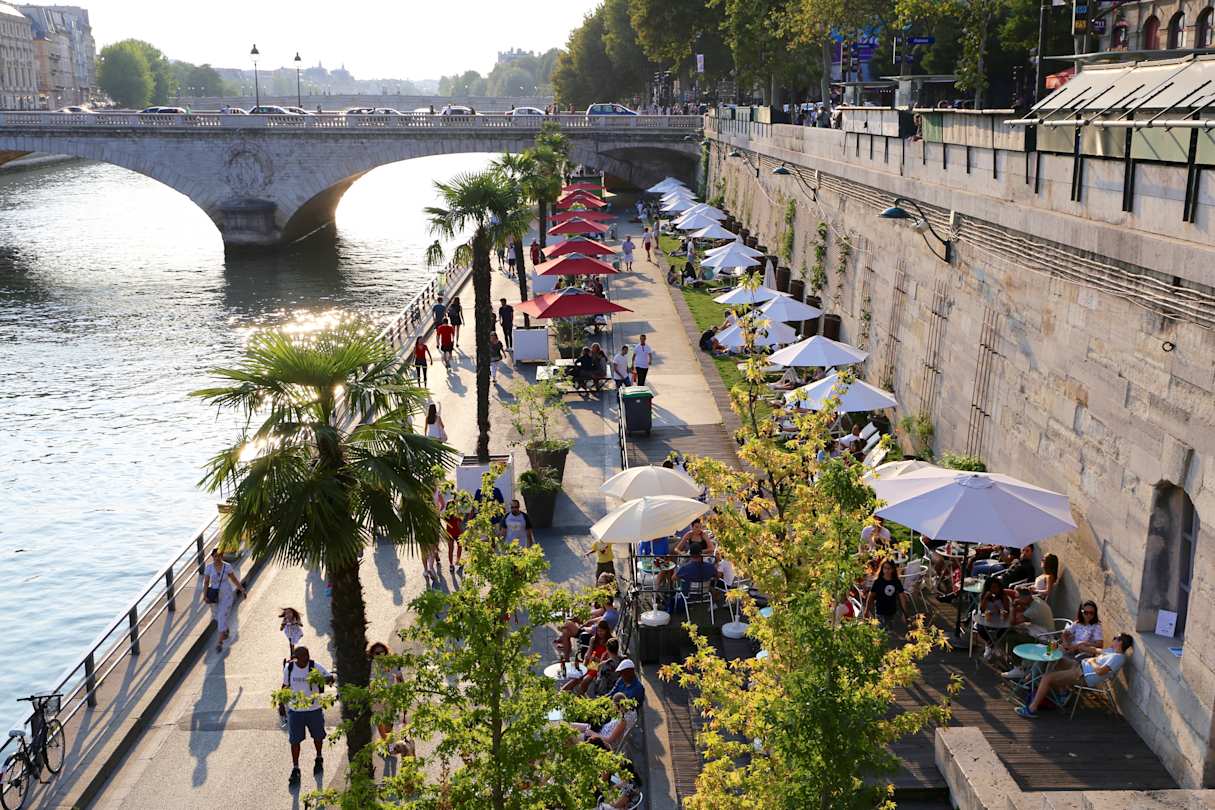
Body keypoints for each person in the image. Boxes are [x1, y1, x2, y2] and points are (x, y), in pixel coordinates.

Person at [1016, 634, 1133, 718]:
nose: (1113, 639)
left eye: (1116, 638)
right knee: (1056, 659)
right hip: (1079, 666)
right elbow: (1096, 649)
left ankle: (1032, 709)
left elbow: (1100, 672)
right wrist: (1082, 646)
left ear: (1120, 642)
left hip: (1083, 675)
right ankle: (1063, 694)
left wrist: (1092, 661)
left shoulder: (1118, 658)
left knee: (1047, 678)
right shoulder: (1111, 651)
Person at [281, 646, 335, 785]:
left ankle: (318, 757)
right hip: (295, 711)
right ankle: (296, 767)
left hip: (314, 709)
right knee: (294, 741)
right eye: (303, 656)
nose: (306, 658)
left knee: (318, 736)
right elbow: (285, 686)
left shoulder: (314, 666)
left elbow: (328, 676)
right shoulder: (290, 668)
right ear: (296, 658)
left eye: (307, 655)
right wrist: (282, 705)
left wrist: (329, 679)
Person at [203, 547, 246, 652]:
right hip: (215, 595)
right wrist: (205, 595)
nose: (217, 558)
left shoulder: (227, 567)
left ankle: (219, 642)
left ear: (222, 556)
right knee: (218, 616)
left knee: (222, 616)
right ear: (212, 557)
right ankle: (225, 631)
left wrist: (242, 589)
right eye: (215, 556)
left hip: (226, 594)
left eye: (219, 556)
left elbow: (234, 579)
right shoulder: (209, 568)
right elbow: (206, 582)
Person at [973, 576, 1012, 661]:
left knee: (1004, 630)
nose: (995, 589)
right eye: (992, 587)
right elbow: (982, 610)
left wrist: (1000, 610)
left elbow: (1006, 610)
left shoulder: (1003, 597)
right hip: (987, 619)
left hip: (1000, 620)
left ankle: (993, 645)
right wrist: (986, 598)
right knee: (980, 628)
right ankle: (990, 644)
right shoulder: (984, 596)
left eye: (996, 587)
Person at [864, 558, 908, 631]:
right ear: (882, 569)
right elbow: (870, 596)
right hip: (880, 613)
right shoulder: (878, 582)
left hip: (893, 612)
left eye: (889, 568)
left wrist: (905, 612)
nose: (887, 570)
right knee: (882, 633)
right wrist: (866, 610)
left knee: (893, 632)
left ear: (893, 569)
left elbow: (902, 597)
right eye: (885, 568)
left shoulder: (896, 581)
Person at [445, 509, 463, 575]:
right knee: (460, 547)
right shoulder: (457, 514)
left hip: (449, 533)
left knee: (450, 550)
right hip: (457, 533)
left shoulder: (446, 516)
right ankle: (458, 561)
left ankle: (451, 565)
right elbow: (460, 523)